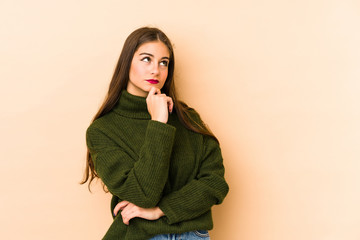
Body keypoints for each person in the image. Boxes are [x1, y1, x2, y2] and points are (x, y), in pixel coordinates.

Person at [81, 26, 229, 240]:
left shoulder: (188, 119)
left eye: (163, 62)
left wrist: (160, 210)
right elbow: (142, 194)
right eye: (146, 59)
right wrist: (158, 122)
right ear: (127, 62)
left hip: (193, 236)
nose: (155, 70)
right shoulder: (103, 130)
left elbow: (215, 184)